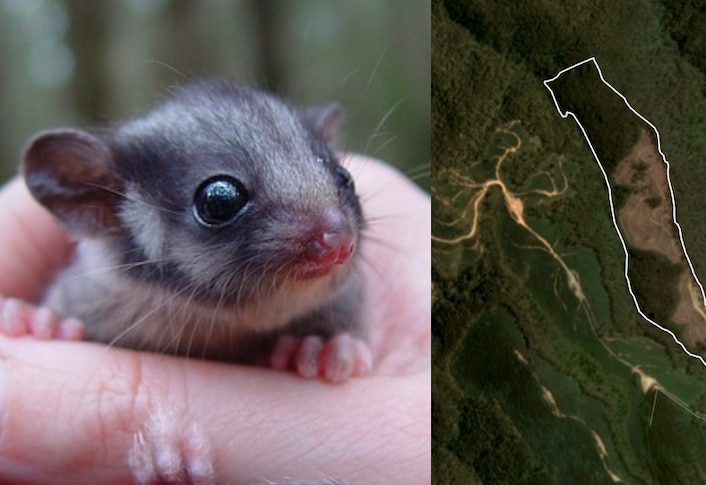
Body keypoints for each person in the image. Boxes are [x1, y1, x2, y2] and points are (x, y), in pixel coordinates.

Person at [0, 154, 430, 484]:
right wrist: (39, 326)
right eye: (221, 201)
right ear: (101, 206)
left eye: (339, 180)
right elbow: (59, 313)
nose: (337, 236)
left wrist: (339, 345)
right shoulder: (91, 295)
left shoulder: (340, 304)